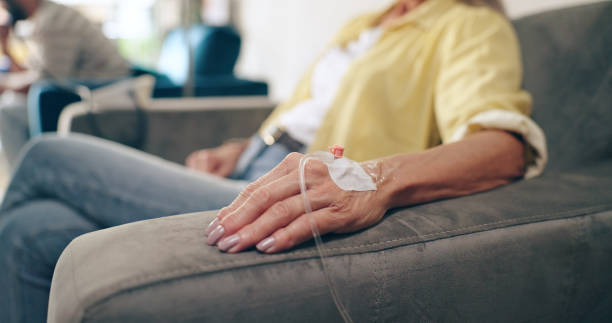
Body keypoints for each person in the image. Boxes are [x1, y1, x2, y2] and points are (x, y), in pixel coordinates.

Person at [0, 0, 548, 321]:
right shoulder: (364, 26)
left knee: (50, 154)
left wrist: (371, 179)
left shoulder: (468, 24)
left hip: (298, 195)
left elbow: (505, 145)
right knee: (35, 228)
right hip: (254, 169)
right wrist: (233, 151)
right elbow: (298, 118)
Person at [0, 0, 131, 165]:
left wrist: (5, 85)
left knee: (9, 110)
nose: (4, 7)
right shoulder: (44, 19)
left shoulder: (55, 21)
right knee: (11, 102)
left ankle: (25, 183)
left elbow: (45, 83)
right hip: (77, 94)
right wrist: (6, 47)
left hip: (101, 101)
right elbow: (34, 74)